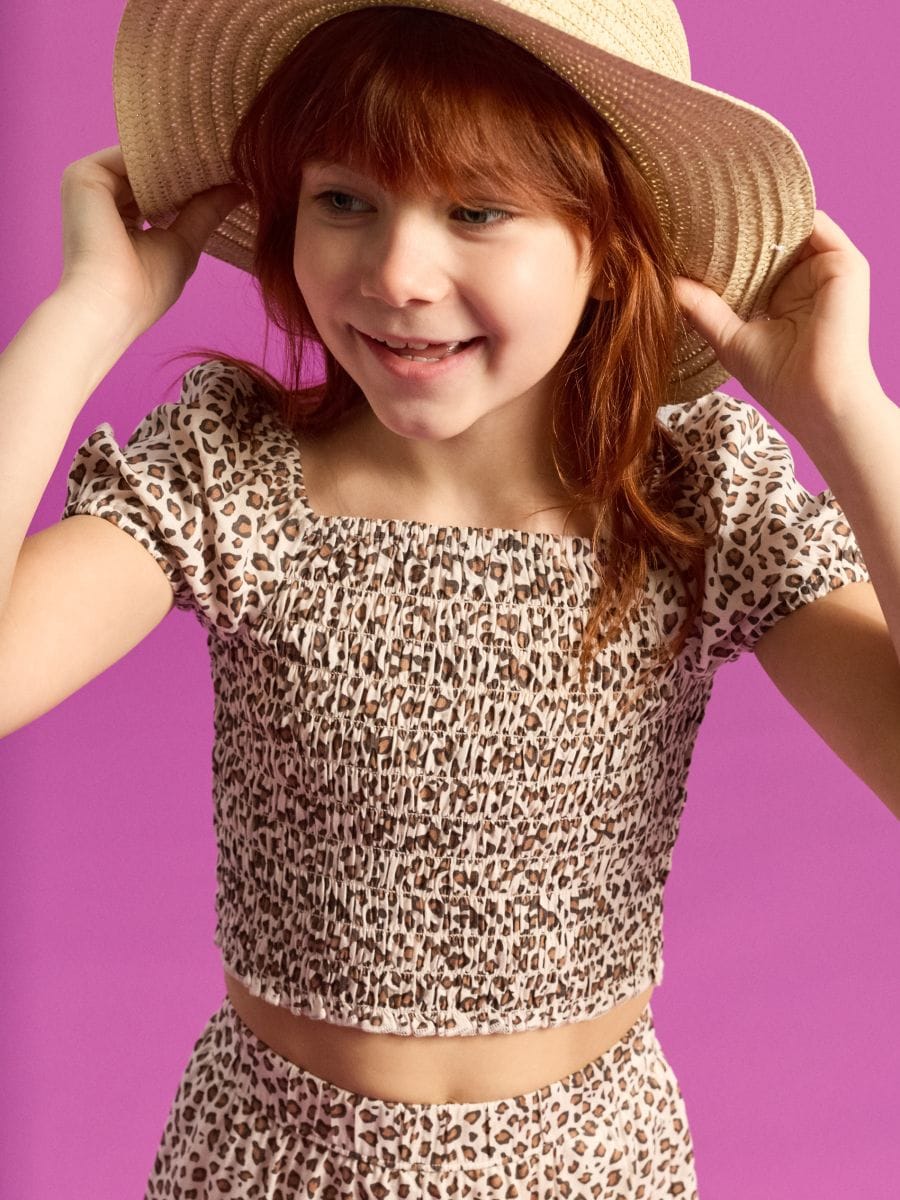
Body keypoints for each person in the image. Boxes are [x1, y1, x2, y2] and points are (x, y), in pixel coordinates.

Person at [1, 0, 898, 1196]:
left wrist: (848, 415)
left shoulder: (691, 502)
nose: (395, 274)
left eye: (477, 211)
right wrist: (84, 316)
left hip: (590, 1169)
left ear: (608, 245)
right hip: (267, 1164)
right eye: (344, 199)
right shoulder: (232, 476)